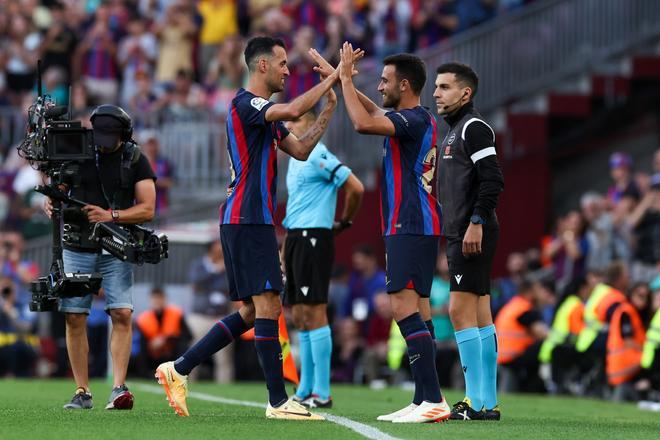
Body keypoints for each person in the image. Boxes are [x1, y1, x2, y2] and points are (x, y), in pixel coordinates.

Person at [155, 36, 341, 420]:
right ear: (262, 66)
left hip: (249, 220)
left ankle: (179, 369)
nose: (288, 70)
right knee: (269, 304)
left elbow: (302, 150)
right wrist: (334, 77)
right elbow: (290, 110)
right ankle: (277, 401)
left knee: (252, 312)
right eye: (283, 63)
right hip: (246, 218)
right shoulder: (247, 104)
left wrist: (329, 109)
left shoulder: (261, 116)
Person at [311, 44, 448, 423]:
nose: (381, 87)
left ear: (404, 85)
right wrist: (344, 81)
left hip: (409, 223)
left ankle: (433, 398)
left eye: (386, 81)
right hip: (416, 225)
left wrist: (344, 81)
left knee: (403, 309)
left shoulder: (413, 121)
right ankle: (424, 399)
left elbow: (361, 122)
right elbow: (375, 111)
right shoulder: (415, 120)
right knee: (418, 310)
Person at [44, 105, 157, 410]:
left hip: (116, 243)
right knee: (74, 315)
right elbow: (57, 189)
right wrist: (51, 203)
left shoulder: (134, 157)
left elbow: (148, 208)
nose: (104, 140)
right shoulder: (76, 152)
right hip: (77, 243)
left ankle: (119, 387)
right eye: (100, 134)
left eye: (111, 135)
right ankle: (83, 391)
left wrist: (111, 215)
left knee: (122, 313)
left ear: (124, 134)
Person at [433, 62, 504, 420]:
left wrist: (476, 221)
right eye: (436, 86)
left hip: (471, 231)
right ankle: (486, 402)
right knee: (478, 313)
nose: (436, 93)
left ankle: (475, 402)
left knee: (460, 311)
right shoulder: (454, 131)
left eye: (444, 87)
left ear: (466, 93)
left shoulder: (473, 127)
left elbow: (493, 179)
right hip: (464, 230)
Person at [283, 107, 364, 409]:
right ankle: (305, 389)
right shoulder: (296, 156)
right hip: (295, 238)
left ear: (312, 122)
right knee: (301, 315)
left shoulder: (318, 154)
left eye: (294, 119)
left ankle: (323, 391)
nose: (288, 124)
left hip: (313, 238)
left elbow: (355, 186)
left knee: (315, 312)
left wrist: (345, 222)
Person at [136, 287, 191, 377]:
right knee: (140, 350)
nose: (157, 301)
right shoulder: (143, 319)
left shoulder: (176, 314)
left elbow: (188, 335)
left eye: (160, 298)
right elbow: (142, 344)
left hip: (172, 354)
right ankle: (144, 375)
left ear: (165, 299)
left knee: (183, 346)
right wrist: (152, 344)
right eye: (155, 298)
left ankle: (180, 373)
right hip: (154, 355)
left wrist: (166, 339)